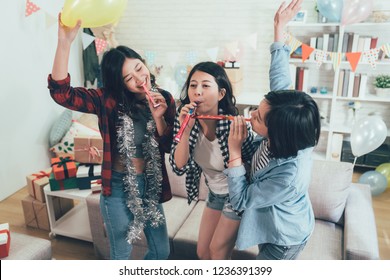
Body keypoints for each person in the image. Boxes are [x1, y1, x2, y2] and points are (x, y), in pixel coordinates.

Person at [169, 0, 303, 260]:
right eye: (193, 85)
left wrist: (237, 145)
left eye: (205, 85)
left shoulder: (233, 124)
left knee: (217, 252)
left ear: (220, 93)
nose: (196, 91)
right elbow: (179, 166)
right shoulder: (184, 120)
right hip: (214, 194)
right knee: (201, 252)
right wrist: (183, 130)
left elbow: (254, 169)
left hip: (236, 195)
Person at [48, 15, 176, 260]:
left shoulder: (165, 98)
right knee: (121, 254)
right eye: (129, 78)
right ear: (119, 83)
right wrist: (64, 42)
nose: (139, 79)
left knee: (162, 251)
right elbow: (62, 94)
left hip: (150, 185)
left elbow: (169, 145)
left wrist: (158, 117)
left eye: (139, 68)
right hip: (118, 186)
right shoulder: (106, 100)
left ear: (144, 63)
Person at [225, 0, 319, 260]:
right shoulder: (288, 123)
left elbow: (242, 200)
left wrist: (234, 153)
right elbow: (280, 77)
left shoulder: (290, 174)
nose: (251, 115)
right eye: (257, 108)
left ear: (278, 133)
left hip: (285, 238)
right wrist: (279, 28)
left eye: (258, 117)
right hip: (268, 225)